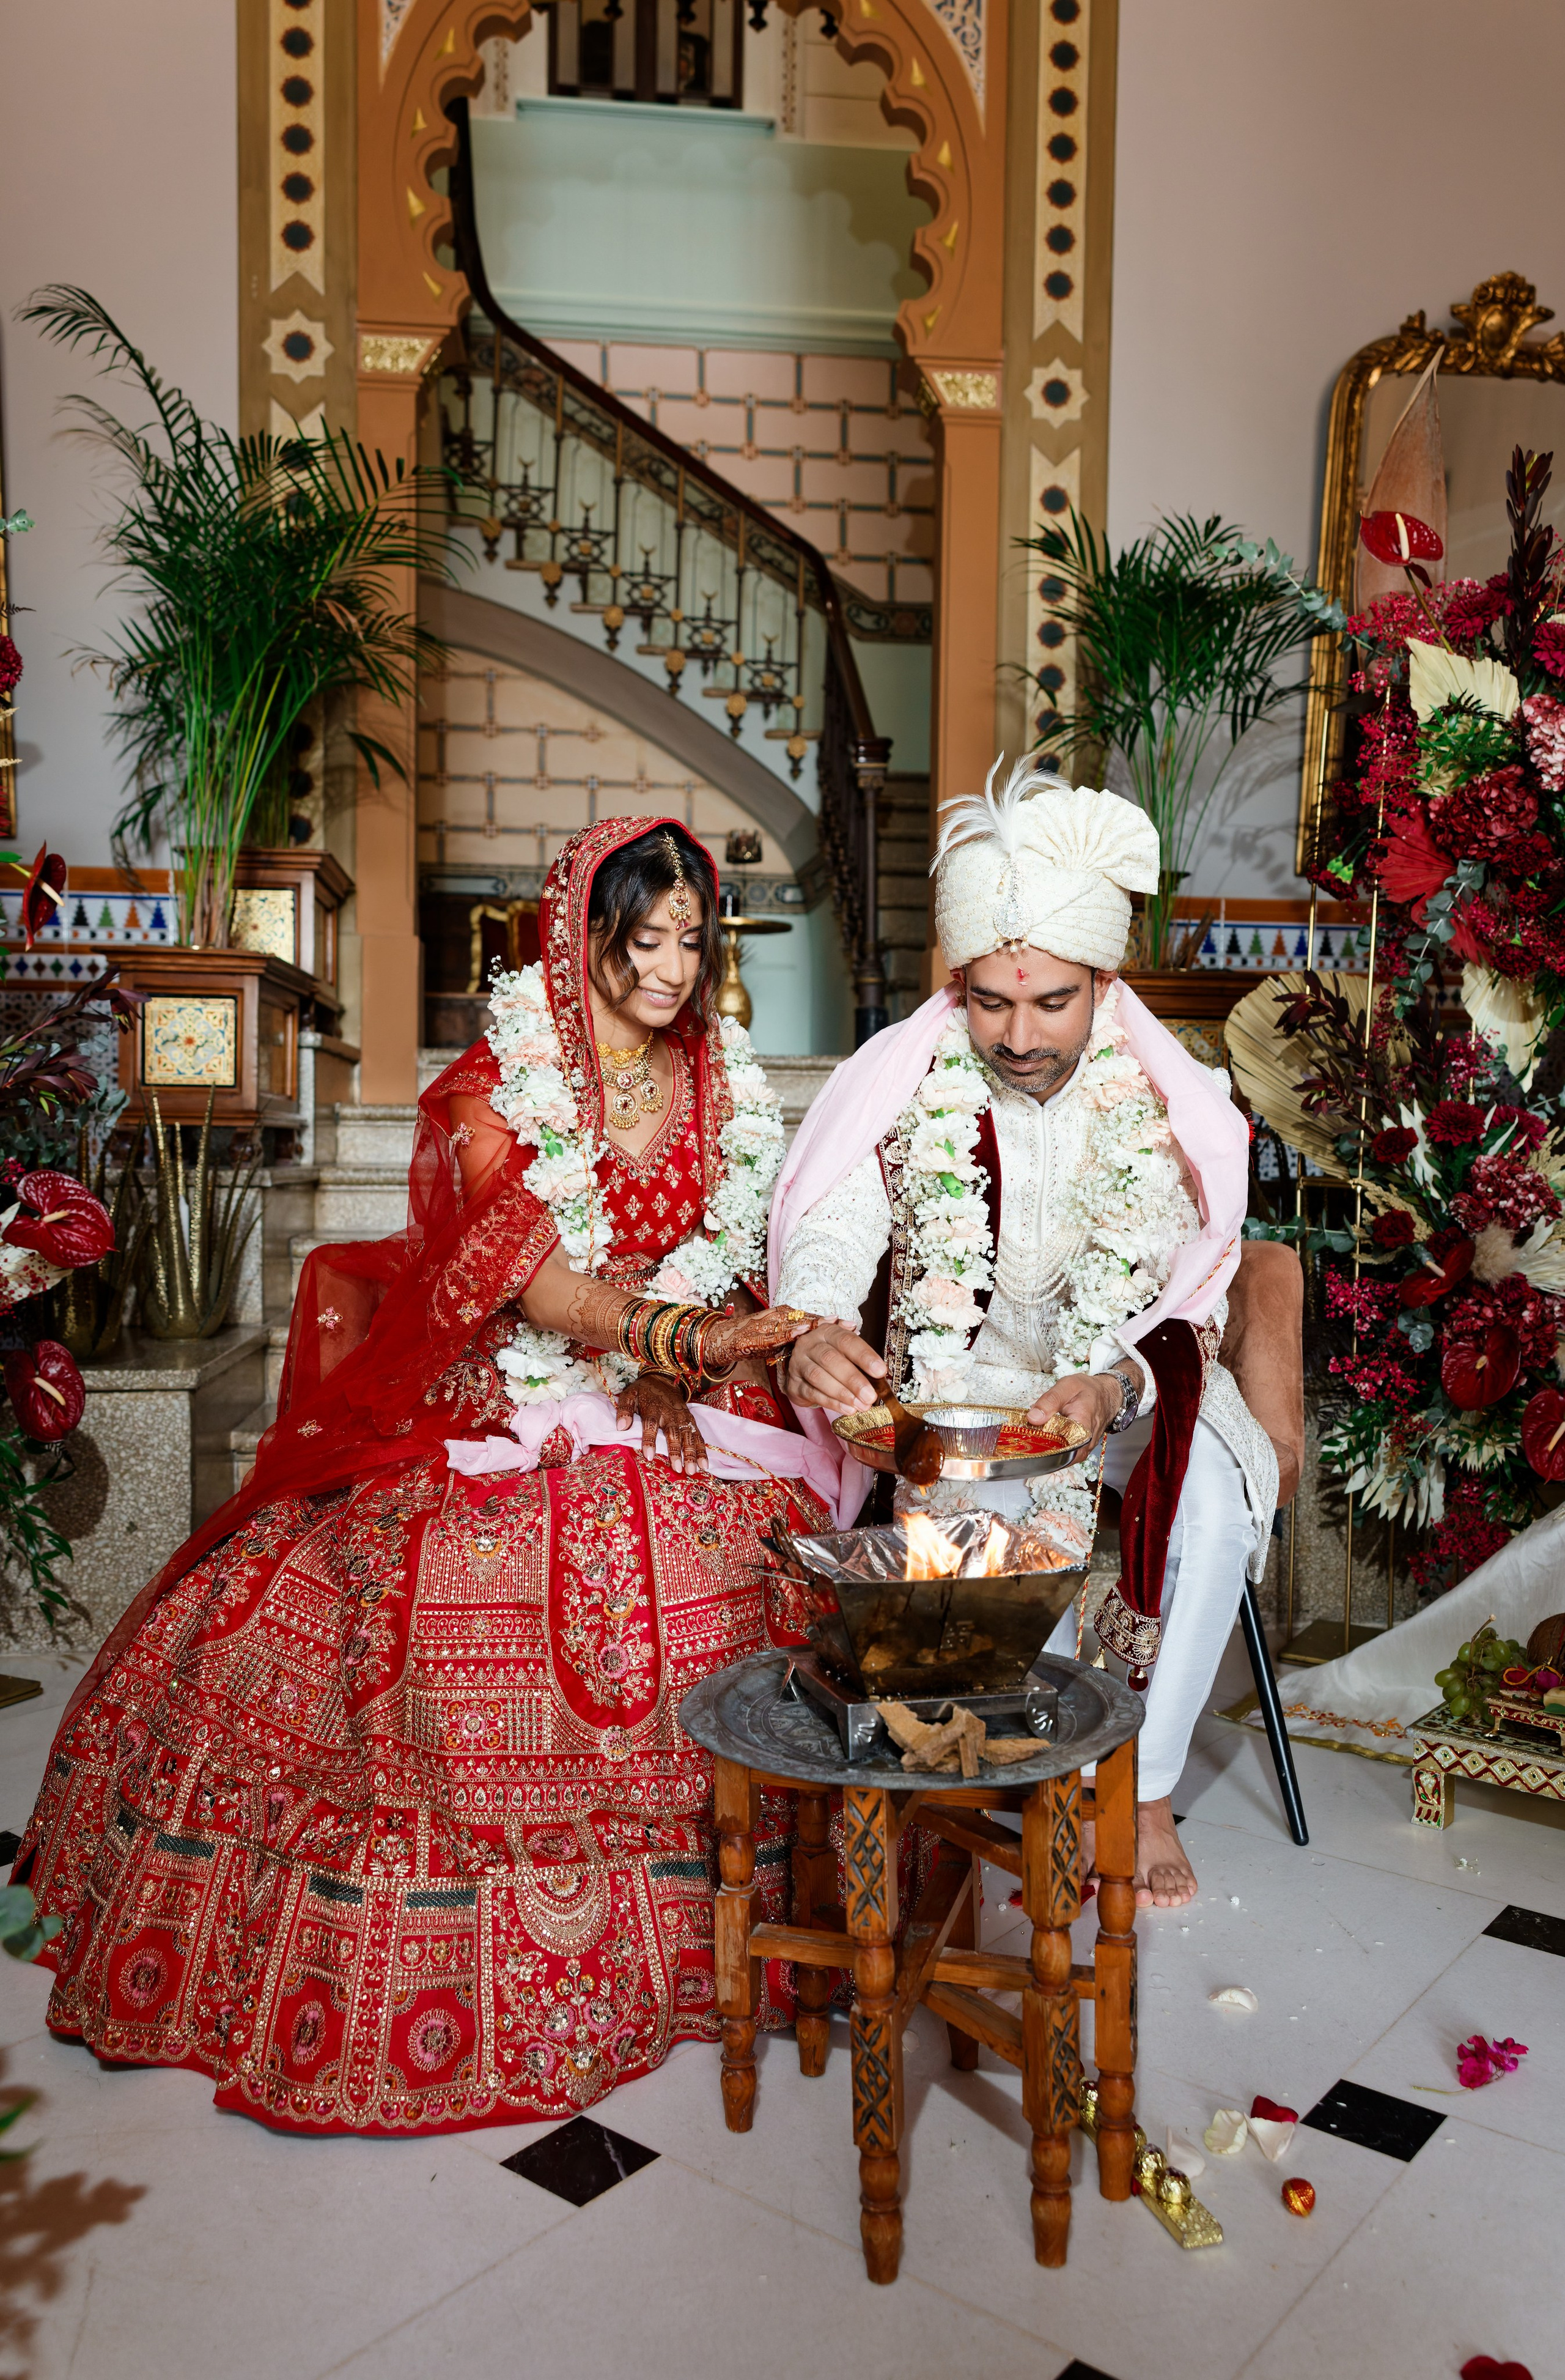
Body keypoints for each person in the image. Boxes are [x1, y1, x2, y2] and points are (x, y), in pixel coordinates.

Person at [11, 817, 831, 2135]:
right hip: (519, 1387)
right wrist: (669, 1339)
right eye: (644, 940)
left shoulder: (723, 1077)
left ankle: (755, 1916)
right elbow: (537, 1283)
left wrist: (712, 1347)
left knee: (769, 1552)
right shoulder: (494, 1089)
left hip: (680, 1382)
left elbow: (731, 1242)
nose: (672, 970)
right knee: (426, 1572)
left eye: (692, 939)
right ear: (583, 936)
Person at [770, 761, 1278, 1907]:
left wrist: (1111, 1387)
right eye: (993, 1002)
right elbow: (836, 1215)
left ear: (1105, 984)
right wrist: (807, 1324)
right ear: (960, 990)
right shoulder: (911, 1080)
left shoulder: (1163, 1096)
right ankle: (1009, 1763)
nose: (1019, 1033)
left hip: (1134, 1375)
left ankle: (1142, 1787)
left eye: (1051, 1001)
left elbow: (1192, 1295)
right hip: (963, 1385)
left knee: (1211, 1500)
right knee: (962, 1501)